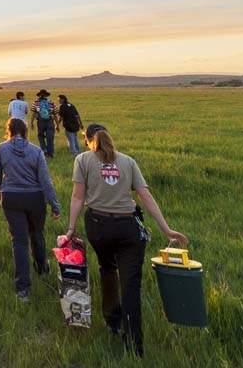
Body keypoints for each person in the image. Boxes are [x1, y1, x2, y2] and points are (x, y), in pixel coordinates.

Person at [65, 124, 188, 357]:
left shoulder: (82, 160)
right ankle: (135, 344)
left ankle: (112, 321)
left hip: (98, 227)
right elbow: (146, 196)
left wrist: (71, 228)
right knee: (131, 285)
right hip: (128, 228)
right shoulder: (128, 161)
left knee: (107, 268)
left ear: (89, 139)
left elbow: (77, 196)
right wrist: (167, 229)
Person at [0, 118, 61, 301]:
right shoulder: (36, 150)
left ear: (9, 130)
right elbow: (45, 180)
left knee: (19, 241)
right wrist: (54, 205)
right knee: (37, 235)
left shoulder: (1, 148)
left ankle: (23, 289)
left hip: (11, 197)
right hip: (35, 198)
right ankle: (42, 269)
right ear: (24, 131)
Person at [30, 90, 56, 159]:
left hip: (40, 122)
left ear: (39, 95)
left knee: (40, 136)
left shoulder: (36, 102)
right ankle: (50, 153)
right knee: (50, 137)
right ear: (46, 95)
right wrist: (57, 124)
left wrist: (32, 123)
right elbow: (55, 114)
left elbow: (33, 114)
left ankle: (44, 151)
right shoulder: (51, 102)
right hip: (50, 121)